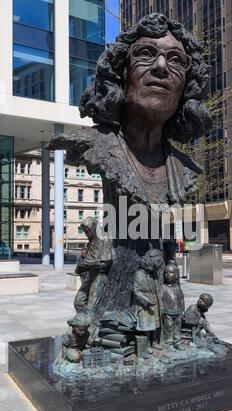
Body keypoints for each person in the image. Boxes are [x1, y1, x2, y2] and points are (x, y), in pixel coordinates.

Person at [48, 13, 212, 321]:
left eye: (176, 60)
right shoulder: (93, 146)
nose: (161, 67)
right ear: (121, 73)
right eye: (146, 55)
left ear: (186, 88)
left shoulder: (185, 167)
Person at [74, 217, 112, 328]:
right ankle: (82, 326)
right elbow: (88, 261)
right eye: (84, 231)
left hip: (100, 276)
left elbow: (105, 264)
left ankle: (91, 333)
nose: (86, 234)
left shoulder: (104, 240)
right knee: (79, 302)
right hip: (90, 274)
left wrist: (89, 264)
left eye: (87, 231)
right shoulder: (90, 242)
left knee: (91, 308)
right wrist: (81, 267)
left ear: (94, 228)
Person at [132, 249, 164, 353]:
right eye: (151, 267)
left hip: (154, 301)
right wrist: (146, 300)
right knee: (147, 325)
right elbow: (136, 291)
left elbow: (157, 287)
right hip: (144, 304)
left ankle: (154, 341)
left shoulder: (153, 273)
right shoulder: (139, 274)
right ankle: (147, 344)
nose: (152, 269)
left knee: (155, 323)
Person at [161, 264, 185, 350]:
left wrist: (183, 310)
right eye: (166, 272)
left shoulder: (178, 288)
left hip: (178, 312)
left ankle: (177, 342)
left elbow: (182, 299)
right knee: (168, 327)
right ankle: (169, 342)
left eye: (170, 272)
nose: (168, 274)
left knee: (177, 327)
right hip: (167, 312)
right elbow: (160, 299)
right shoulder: (163, 287)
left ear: (177, 275)